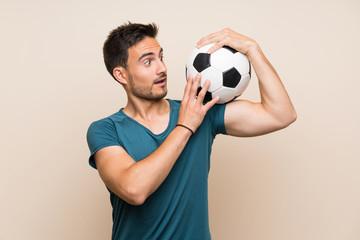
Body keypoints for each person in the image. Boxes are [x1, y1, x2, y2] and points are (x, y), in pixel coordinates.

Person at [86, 22, 296, 240]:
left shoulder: (201, 111)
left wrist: (254, 50)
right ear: (121, 75)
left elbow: (281, 114)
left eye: (161, 57)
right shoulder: (105, 129)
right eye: (148, 61)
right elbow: (134, 189)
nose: (162, 68)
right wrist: (185, 126)